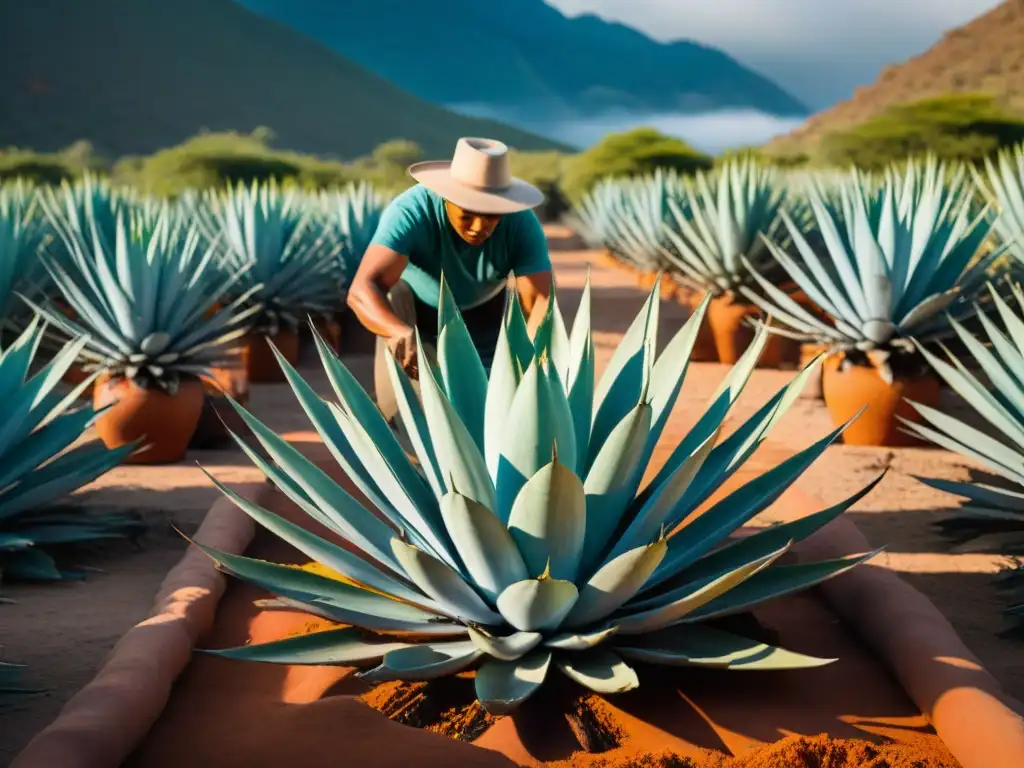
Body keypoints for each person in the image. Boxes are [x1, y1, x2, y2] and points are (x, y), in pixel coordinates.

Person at [347, 137, 554, 423]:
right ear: (446, 197)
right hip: (411, 316)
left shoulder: (521, 222)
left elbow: (538, 303)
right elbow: (362, 289)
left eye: (492, 216)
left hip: (485, 316)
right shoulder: (411, 211)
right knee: (411, 418)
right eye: (467, 216)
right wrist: (396, 331)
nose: (479, 228)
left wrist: (535, 364)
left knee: (492, 412)